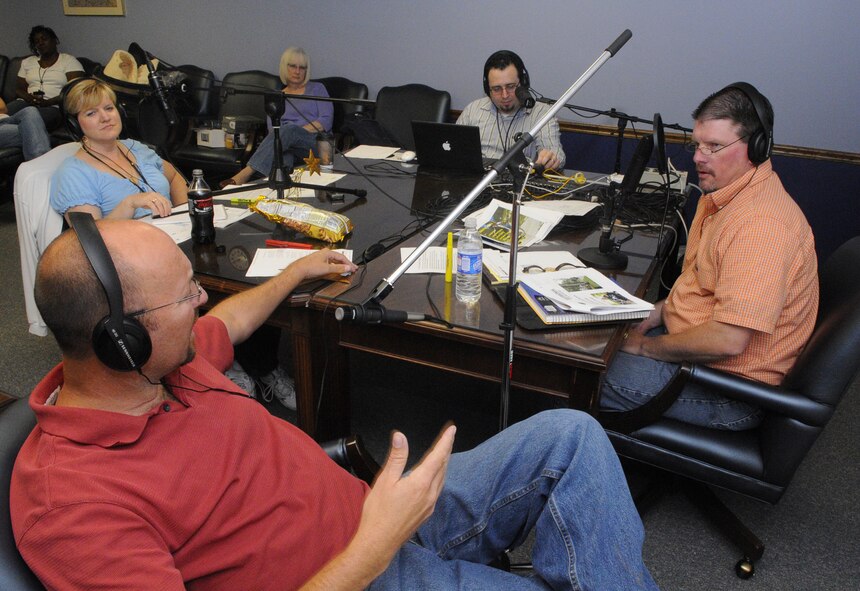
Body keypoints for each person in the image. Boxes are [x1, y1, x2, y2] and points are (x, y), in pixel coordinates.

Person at [12, 217, 658, 590]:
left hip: (376, 512)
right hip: (364, 571)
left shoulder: (160, 366)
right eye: (186, 295)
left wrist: (295, 274)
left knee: (572, 433)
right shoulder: (72, 505)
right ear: (120, 339)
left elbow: (231, 322)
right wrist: (373, 547)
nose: (202, 301)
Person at [600, 82, 818, 431]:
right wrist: (657, 313)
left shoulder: (761, 225)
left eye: (714, 146)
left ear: (757, 147)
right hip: (694, 354)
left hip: (727, 389)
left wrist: (645, 348)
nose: (698, 157)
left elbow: (727, 340)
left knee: (576, 370)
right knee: (587, 342)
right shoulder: (720, 196)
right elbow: (700, 286)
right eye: (697, 145)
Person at [50, 78, 188, 222]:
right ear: (75, 125)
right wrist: (129, 204)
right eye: (91, 113)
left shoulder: (136, 148)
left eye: (109, 108)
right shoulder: (73, 174)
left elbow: (174, 178)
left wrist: (185, 215)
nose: (105, 118)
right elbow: (90, 234)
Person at [221, 47, 334, 187]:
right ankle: (273, 189)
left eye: (302, 67)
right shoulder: (277, 96)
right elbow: (273, 131)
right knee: (283, 156)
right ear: (284, 67)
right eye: (293, 66)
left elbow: (326, 121)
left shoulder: (317, 89)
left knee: (287, 132)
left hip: (316, 144)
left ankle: (244, 174)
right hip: (287, 146)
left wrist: (294, 133)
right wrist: (289, 137)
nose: (297, 71)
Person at [457, 50, 565, 171]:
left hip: (520, 180)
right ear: (488, 89)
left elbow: (556, 154)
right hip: (479, 180)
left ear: (523, 83)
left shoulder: (542, 113)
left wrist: (550, 158)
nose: (504, 95)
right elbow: (453, 149)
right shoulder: (473, 110)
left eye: (510, 86)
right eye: (496, 89)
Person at [6, 25, 85, 131]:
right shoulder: (27, 62)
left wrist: (48, 102)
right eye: (37, 41)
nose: (41, 43)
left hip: (54, 106)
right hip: (27, 102)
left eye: (44, 39)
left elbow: (74, 92)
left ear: (54, 40)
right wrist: (29, 98)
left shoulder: (69, 61)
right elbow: (19, 89)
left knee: (30, 120)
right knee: (3, 113)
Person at [0, 96, 51, 161]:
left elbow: (3, 108)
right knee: (35, 131)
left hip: (7, 119)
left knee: (30, 110)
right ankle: (40, 161)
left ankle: (40, 162)